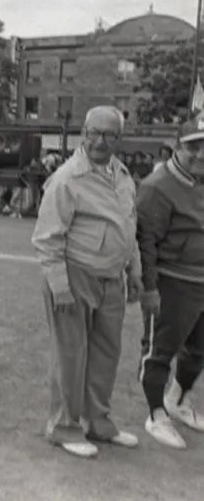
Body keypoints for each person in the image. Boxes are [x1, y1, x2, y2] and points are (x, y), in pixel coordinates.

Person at [31, 106, 142, 458]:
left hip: (112, 278)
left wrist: (134, 269)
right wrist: (60, 286)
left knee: (107, 354)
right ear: (82, 133)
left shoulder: (122, 175)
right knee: (70, 356)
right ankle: (64, 427)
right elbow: (47, 239)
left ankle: (98, 422)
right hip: (75, 274)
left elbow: (128, 226)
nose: (100, 141)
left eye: (109, 134)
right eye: (93, 132)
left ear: (119, 139)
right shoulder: (66, 179)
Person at [136, 110, 204, 449]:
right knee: (160, 351)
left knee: (199, 349)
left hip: (201, 280)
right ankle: (155, 414)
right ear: (177, 146)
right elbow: (145, 243)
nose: (201, 153)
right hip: (172, 280)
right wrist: (149, 289)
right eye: (194, 146)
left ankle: (177, 400)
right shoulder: (157, 187)